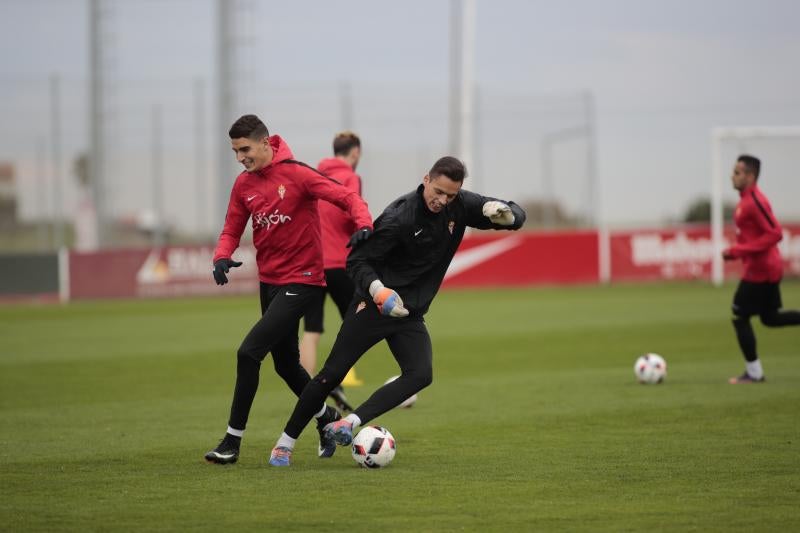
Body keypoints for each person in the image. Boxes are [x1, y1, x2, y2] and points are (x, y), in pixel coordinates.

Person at [267, 156, 527, 466]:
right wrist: (379, 291)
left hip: (409, 314)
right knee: (331, 374)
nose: (443, 201)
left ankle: (348, 424)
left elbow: (516, 215)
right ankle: (285, 443)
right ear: (426, 179)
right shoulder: (399, 216)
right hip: (374, 307)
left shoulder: (459, 205)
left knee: (420, 374)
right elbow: (358, 261)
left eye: (451, 195)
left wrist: (506, 215)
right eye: (439, 192)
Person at [204, 114, 373, 464]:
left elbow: (348, 199)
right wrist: (222, 256)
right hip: (270, 283)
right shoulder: (243, 185)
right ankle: (326, 418)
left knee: (248, 352)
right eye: (235, 151)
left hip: (305, 280)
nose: (240, 158)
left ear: (266, 143)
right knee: (286, 366)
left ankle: (231, 442)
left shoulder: (298, 174)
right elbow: (231, 228)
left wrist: (364, 226)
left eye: (245, 149)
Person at [300, 131, 367, 412]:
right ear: (355, 153)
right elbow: (353, 217)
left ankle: (305, 391)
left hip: (314, 264)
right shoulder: (351, 178)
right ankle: (335, 380)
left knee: (311, 331)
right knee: (355, 324)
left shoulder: (314, 175)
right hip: (342, 263)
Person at [723, 154, 800, 384]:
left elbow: (775, 233)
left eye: (737, 172)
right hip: (764, 268)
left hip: (761, 270)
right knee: (769, 318)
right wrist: (741, 249)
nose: (732, 176)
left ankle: (754, 373)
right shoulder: (745, 200)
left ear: (750, 175)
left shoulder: (755, 201)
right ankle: (754, 372)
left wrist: (739, 251)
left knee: (739, 315)